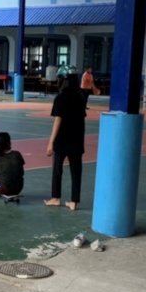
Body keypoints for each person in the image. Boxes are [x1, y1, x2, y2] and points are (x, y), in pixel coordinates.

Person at [44, 77, 87, 211]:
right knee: (76, 172)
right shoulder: (80, 98)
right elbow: (82, 120)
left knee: (57, 170)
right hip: (77, 140)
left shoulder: (60, 98)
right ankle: (74, 202)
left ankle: (56, 198)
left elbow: (58, 121)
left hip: (62, 140)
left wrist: (51, 142)